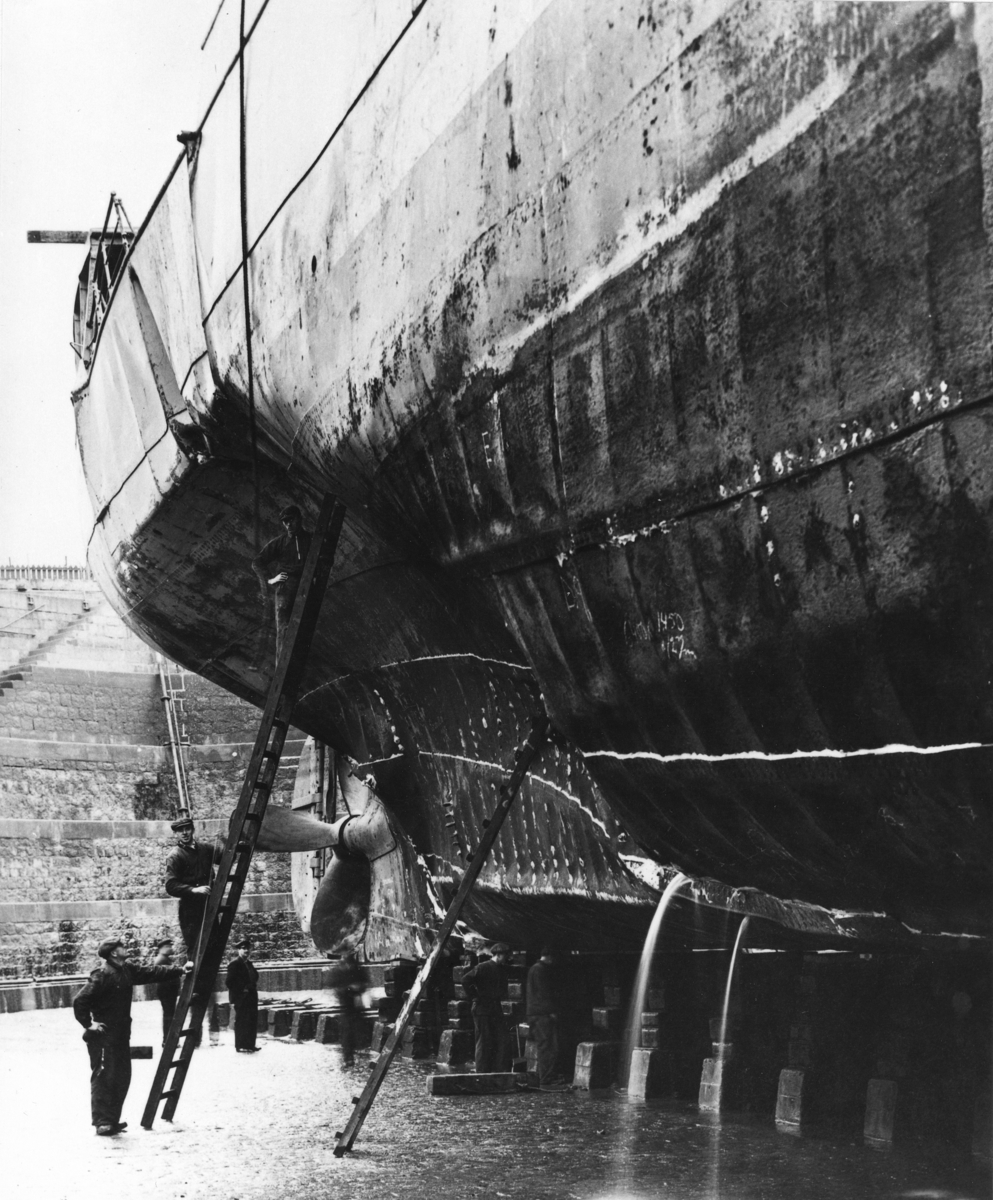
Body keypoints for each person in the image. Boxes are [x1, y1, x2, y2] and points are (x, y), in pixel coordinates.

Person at [72, 938, 189, 1135]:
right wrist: (89, 1024)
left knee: (121, 1077)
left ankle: (112, 1120)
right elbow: (80, 1000)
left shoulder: (127, 969)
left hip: (121, 1034)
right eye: (122, 947)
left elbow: (152, 972)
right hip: (103, 1036)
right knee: (104, 1077)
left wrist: (180, 970)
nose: (126, 948)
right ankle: (102, 1122)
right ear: (113, 953)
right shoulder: (102, 974)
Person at [251, 504, 313, 658]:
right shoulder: (280, 542)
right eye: (285, 522)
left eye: (291, 520)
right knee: (284, 630)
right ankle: (282, 665)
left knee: (305, 627)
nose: (288, 524)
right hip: (286, 588)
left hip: (307, 585)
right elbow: (257, 562)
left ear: (299, 518)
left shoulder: (311, 539)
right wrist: (271, 580)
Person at [164, 816, 219, 962]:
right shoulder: (175, 856)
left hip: (210, 905)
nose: (184, 833)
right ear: (175, 834)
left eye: (187, 829)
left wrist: (230, 844)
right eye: (180, 830)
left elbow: (225, 857)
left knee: (214, 946)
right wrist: (193, 890)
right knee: (196, 949)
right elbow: (170, 885)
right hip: (190, 910)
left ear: (192, 830)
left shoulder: (206, 848)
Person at [461, 942, 511, 1074]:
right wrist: (475, 996)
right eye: (505, 955)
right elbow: (465, 980)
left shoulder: (501, 969)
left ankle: (498, 1071)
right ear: (498, 955)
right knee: (484, 1041)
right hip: (482, 1009)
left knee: (501, 1039)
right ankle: (482, 1073)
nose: (507, 958)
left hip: (494, 1008)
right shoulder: (483, 967)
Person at [526, 945, 569, 1089]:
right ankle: (546, 1079)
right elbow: (544, 993)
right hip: (542, 1015)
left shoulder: (534, 968)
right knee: (548, 1047)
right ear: (550, 957)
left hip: (535, 1014)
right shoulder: (541, 970)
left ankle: (545, 1076)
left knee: (544, 1046)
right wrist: (552, 1012)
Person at [327, 949, 367, 1067]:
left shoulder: (356, 967)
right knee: (348, 1029)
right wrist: (349, 988)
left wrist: (359, 989)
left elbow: (364, 981)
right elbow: (334, 984)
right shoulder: (341, 968)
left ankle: (355, 1053)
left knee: (357, 1028)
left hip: (356, 1002)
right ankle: (348, 1056)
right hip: (346, 1002)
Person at [226, 939, 261, 1052]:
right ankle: (239, 1045)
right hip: (241, 998)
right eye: (243, 948)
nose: (246, 951)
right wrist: (243, 989)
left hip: (251, 997)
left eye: (248, 948)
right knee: (241, 1021)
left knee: (251, 1020)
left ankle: (250, 1045)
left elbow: (254, 976)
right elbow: (229, 982)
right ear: (239, 950)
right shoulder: (234, 964)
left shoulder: (249, 964)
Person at [153, 937, 180, 1046]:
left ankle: (168, 1040)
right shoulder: (161, 960)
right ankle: (168, 1041)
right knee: (169, 1016)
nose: (171, 948)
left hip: (168, 992)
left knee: (169, 1015)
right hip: (167, 992)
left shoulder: (165, 959)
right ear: (161, 948)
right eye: (168, 946)